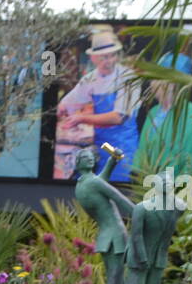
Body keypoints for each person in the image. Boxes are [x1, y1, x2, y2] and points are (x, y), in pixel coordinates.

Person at [72, 145, 134, 284]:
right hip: (116, 235)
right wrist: (145, 217)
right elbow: (122, 201)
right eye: (85, 157)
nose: (89, 160)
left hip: (107, 236)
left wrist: (112, 161)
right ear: (78, 162)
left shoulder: (81, 185)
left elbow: (100, 180)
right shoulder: (94, 182)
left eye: (91, 157)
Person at [57, 30, 141, 181]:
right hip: (101, 144)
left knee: (118, 186)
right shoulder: (90, 78)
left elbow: (118, 117)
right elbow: (68, 102)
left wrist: (81, 118)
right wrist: (61, 109)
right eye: (103, 57)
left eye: (112, 55)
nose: (109, 61)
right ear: (93, 58)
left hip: (124, 145)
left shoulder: (128, 78)